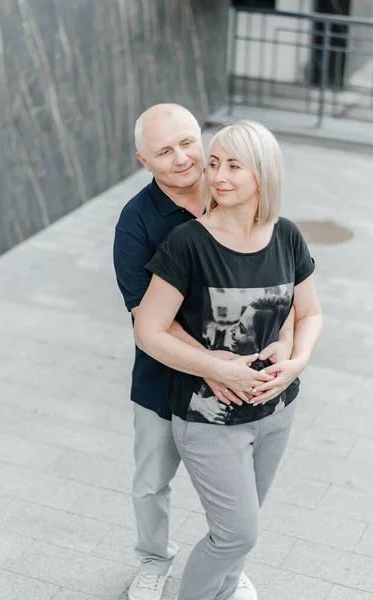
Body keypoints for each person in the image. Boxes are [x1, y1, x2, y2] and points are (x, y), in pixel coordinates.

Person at [134, 119, 323, 600]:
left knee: (243, 527)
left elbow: (311, 313)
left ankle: (222, 592)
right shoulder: (188, 243)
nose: (217, 175)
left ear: (263, 173)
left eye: (234, 166)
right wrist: (214, 366)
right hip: (207, 417)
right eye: (214, 162)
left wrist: (295, 358)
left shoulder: (287, 236)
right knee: (236, 534)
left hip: (276, 410)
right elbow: (148, 330)